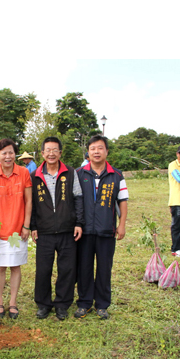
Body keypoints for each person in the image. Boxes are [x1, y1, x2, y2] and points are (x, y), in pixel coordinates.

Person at [74, 134, 128, 320]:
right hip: (85, 230)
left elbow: (122, 202)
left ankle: (102, 304)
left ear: (106, 151)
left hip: (106, 230)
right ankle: (84, 303)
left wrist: (121, 225)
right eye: (92, 149)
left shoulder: (117, 175)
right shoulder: (79, 173)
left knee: (104, 268)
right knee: (84, 267)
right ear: (88, 152)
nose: (96, 152)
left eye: (100, 148)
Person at [30, 136, 83, 321]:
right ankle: (43, 304)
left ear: (60, 153)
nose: (51, 153)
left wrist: (78, 223)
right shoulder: (35, 175)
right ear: (42, 153)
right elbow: (32, 204)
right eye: (48, 150)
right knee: (43, 269)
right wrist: (33, 226)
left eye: (55, 150)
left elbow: (78, 198)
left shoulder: (70, 172)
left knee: (66, 269)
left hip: (67, 229)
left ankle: (62, 304)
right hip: (44, 231)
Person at [0, 139, 33, 319]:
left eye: (11, 152)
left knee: (15, 266)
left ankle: (13, 302)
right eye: (3, 153)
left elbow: (28, 201)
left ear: (16, 155)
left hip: (17, 229)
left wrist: (26, 225)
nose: (8, 156)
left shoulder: (24, 173)